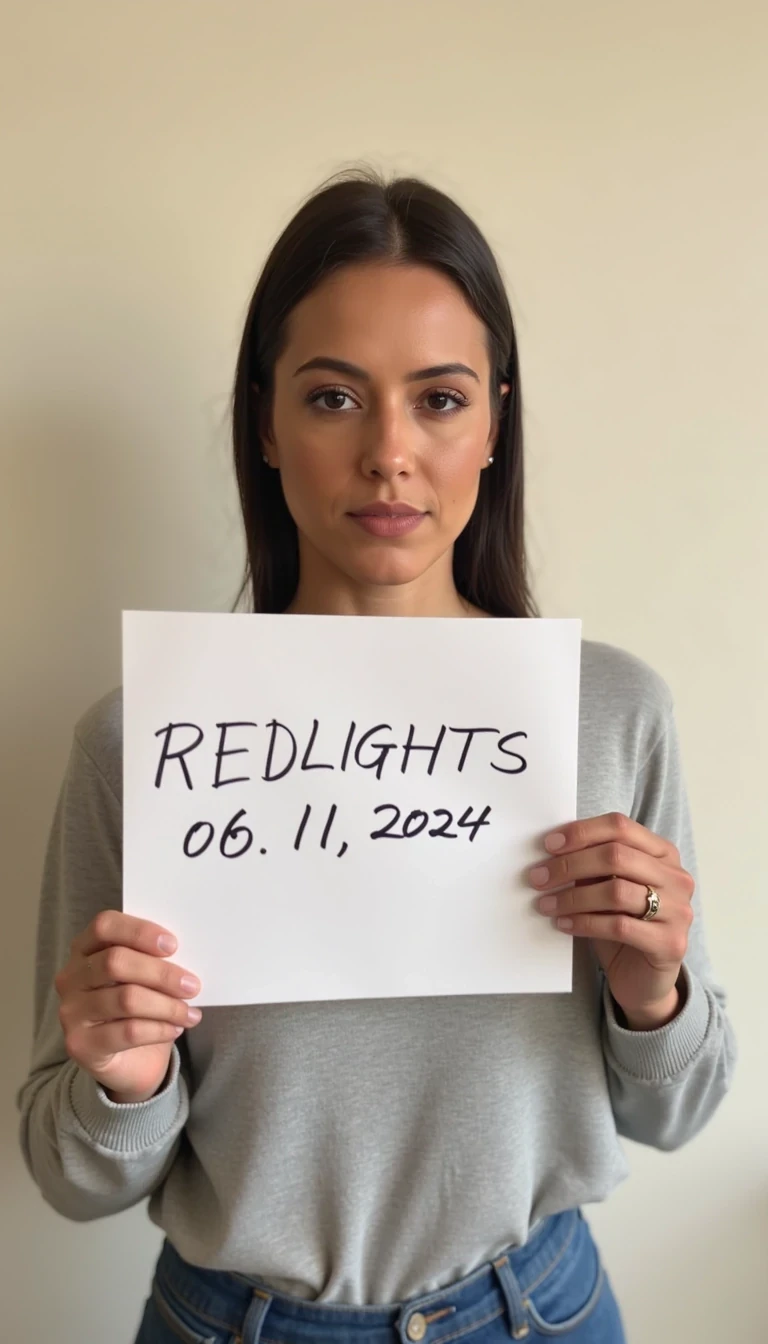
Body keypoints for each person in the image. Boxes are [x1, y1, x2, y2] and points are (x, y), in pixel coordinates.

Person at [17, 166, 736, 1344]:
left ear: (496, 420)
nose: (391, 452)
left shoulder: (608, 711)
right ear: (265, 419)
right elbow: (73, 1174)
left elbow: (682, 1113)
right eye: (336, 398)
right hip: (233, 1321)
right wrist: (123, 1076)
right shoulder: (143, 741)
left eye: (440, 399)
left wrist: (653, 992)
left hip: (539, 1311)